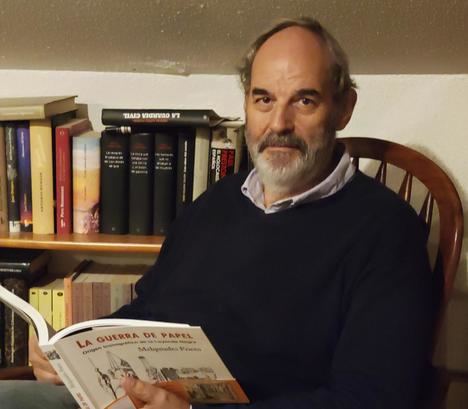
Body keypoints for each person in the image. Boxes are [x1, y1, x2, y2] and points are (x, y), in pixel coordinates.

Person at [0, 16, 434, 409]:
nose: (278, 124)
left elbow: (372, 397)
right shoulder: (218, 202)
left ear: (344, 108)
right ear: (246, 105)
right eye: (263, 100)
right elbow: (150, 309)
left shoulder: (387, 232)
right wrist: (73, 349)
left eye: (304, 101)